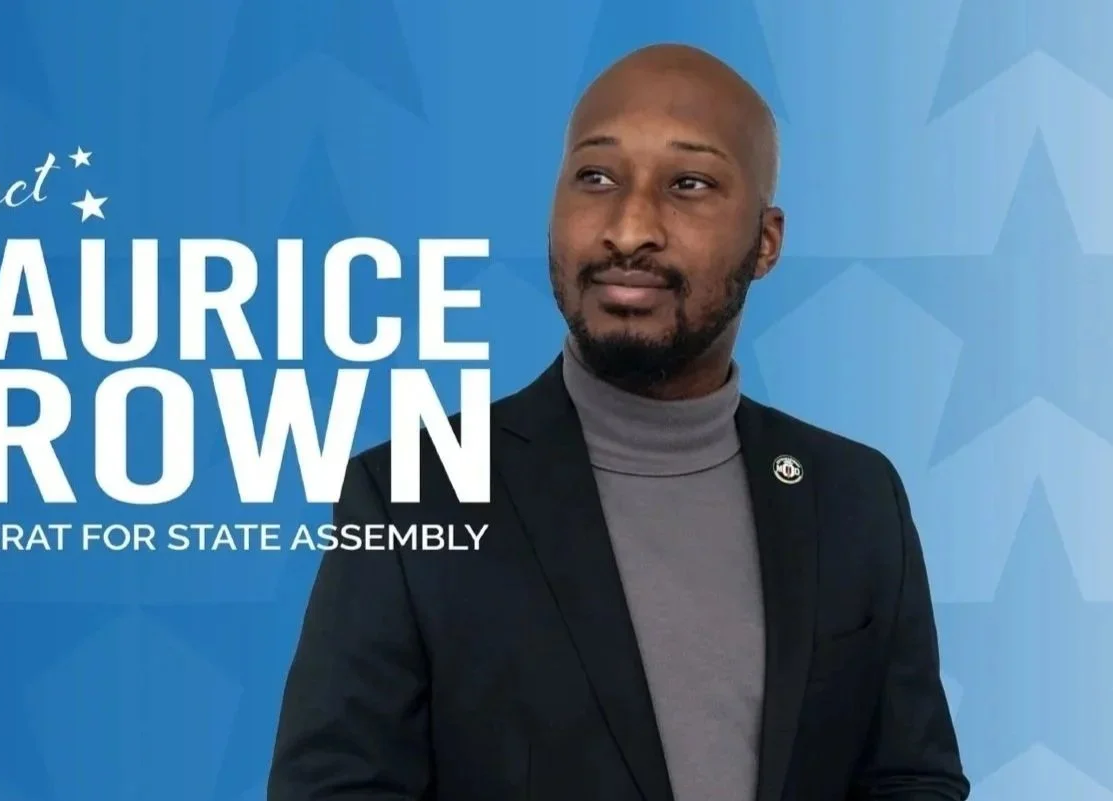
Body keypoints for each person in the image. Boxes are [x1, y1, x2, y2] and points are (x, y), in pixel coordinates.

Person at [267, 42, 969, 801]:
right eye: (595, 177)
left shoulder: (855, 493)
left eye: (689, 183)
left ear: (765, 242)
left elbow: (910, 778)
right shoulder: (411, 489)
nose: (629, 227)